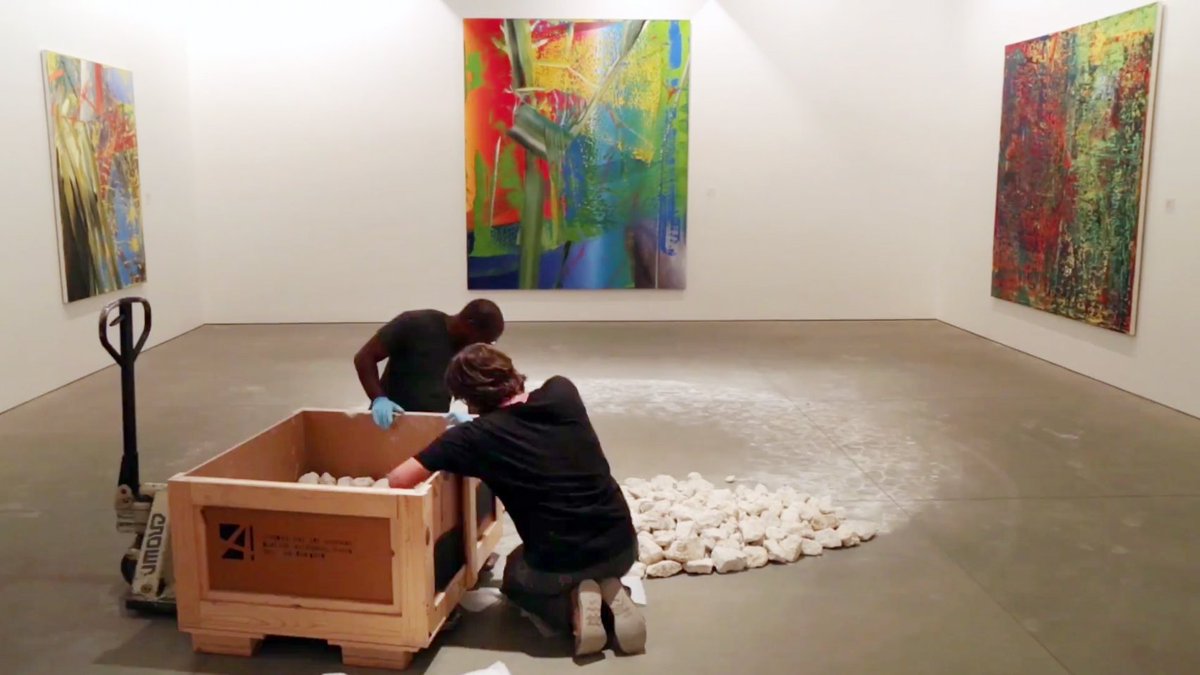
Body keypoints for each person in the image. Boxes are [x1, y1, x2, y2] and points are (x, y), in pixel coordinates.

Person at [386, 344, 645, 656]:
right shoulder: (562, 392)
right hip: (622, 547)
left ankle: (573, 610)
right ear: (511, 372)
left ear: (468, 399)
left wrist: (458, 439)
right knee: (588, 559)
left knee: (514, 575)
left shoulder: (473, 438)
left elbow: (399, 479)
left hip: (557, 566)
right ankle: (611, 589)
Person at [354, 299, 504, 429]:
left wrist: (475, 423)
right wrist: (379, 399)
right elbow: (365, 357)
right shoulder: (415, 324)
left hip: (429, 425)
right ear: (469, 324)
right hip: (391, 419)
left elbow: (474, 392)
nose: (484, 346)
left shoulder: (468, 352)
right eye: (484, 339)